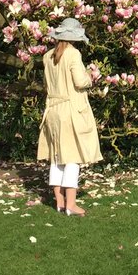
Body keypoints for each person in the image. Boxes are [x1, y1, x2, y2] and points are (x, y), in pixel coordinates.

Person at [37, 18, 102, 216]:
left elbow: (47, 85)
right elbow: (80, 82)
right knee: (73, 156)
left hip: (52, 110)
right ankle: (71, 204)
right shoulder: (73, 54)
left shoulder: (47, 56)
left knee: (57, 157)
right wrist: (90, 76)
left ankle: (59, 201)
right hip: (70, 109)